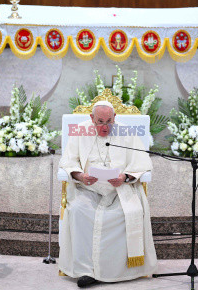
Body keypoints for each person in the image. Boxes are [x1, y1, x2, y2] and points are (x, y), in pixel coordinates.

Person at [58, 101, 157, 288]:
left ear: (115, 118)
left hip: (120, 191)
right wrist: (80, 175)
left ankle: (117, 271)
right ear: (91, 119)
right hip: (87, 190)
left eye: (109, 121)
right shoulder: (80, 131)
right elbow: (68, 161)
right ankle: (86, 271)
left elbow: (143, 164)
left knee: (123, 214)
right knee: (79, 210)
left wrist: (125, 177)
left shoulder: (126, 132)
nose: (105, 127)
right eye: (100, 121)